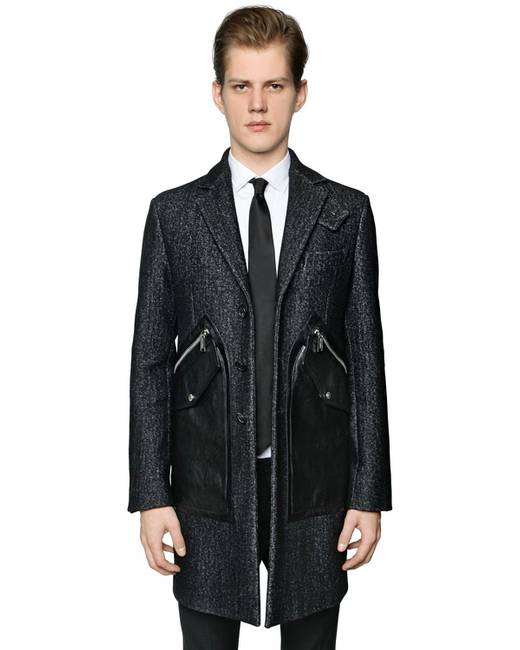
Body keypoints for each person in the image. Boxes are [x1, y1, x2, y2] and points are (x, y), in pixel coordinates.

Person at [127, 5, 392, 648]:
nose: (257, 104)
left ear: (300, 92)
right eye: (241, 85)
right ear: (217, 93)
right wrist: (151, 493)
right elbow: (150, 361)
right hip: (205, 485)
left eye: (274, 84)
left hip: (316, 485)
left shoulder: (346, 212)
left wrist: (368, 492)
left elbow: (366, 357)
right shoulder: (174, 215)